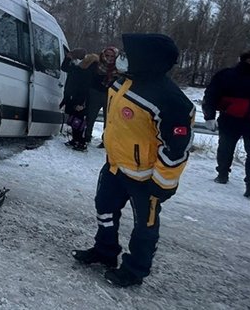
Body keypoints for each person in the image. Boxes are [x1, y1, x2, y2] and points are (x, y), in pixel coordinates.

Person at [73, 33, 194, 287]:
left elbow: (177, 148)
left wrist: (162, 184)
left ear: (146, 59)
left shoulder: (171, 100)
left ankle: (135, 269)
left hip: (145, 178)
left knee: (144, 227)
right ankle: (105, 251)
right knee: (104, 208)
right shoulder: (124, 81)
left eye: (128, 54)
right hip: (115, 166)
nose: (121, 57)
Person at [202, 47, 250, 203]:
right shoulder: (228, 76)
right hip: (230, 119)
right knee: (225, 149)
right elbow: (211, 95)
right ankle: (222, 173)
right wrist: (209, 116)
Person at [82, 46, 120, 149]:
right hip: (95, 92)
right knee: (91, 116)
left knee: (108, 119)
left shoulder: (119, 68)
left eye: (112, 56)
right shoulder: (96, 64)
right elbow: (87, 75)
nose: (109, 58)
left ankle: (105, 140)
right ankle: (86, 137)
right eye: (107, 55)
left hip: (110, 95)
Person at [61, 50, 97, 151]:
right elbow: (65, 68)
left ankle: (81, 141)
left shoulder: (86, 71)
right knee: (75, 119)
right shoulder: (80, 69)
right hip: (74, 97)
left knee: (78, 120)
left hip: (80, 99)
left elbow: (85, 88)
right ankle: (76, 139)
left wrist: (81, 103)